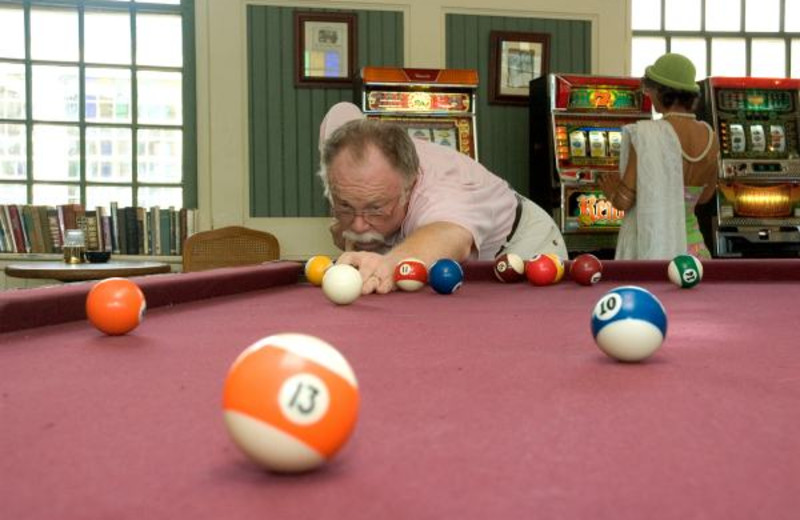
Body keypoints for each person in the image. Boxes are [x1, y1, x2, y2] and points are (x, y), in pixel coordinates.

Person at [318, 102, 567, 294]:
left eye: (375, 208)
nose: (359, 224)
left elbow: (449, 236)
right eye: (346, 205)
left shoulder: (442, 192)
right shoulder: (342, 145)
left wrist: (389, 264)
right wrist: (347, 221)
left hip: (523, 247)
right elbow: (343, 112)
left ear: (410, 186)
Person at [598, 53, 720, 260]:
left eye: (651, 89)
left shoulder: (647, 134)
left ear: (662, 92)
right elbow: (706, 196)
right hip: (696, 250)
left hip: (657, 250)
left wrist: (610, 193)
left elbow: (624, 201)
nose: (649, 95)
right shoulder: (711, 136)